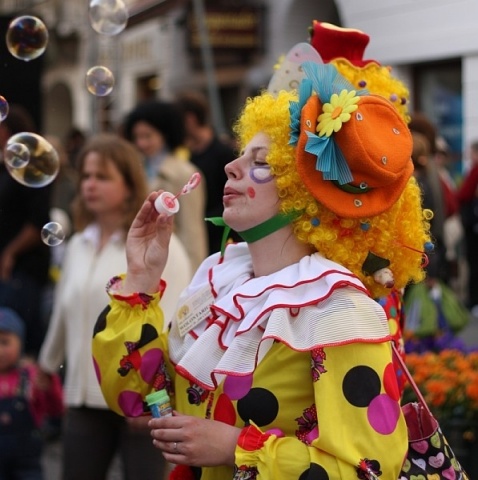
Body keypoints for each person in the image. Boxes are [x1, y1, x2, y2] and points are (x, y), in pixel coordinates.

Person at [92, 58, 432, 479]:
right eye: (240, 155)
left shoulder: (339, 313)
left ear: (305, 192)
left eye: (261, 163)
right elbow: (138, 399)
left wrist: (237, 447)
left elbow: (368, 470)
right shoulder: (221, 281)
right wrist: (142, 279)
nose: (230, 168)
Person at [38, 133, 192, 480]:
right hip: (82, 395)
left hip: (142, 403)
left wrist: (152, 391)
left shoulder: (158, 245)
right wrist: (47, 366)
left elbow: (173, 322)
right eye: (87, 176)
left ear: (129, 183)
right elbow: (64, 312)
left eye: (103, 176)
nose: (90, 185)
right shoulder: (78, 243)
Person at [123, 99, 208, 271]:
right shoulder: (133, 169)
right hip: (137, 259)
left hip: (172, 264)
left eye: (148, 136)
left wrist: (193, 278)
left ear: (165, 134)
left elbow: (192, 232)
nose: (141, 143)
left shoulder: (185, 173)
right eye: (137, 137)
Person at [0, 104, 52, 357]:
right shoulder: (6, 168)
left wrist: (10, 253)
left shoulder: (31, 168)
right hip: (10, 270)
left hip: (22, 271)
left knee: (17, 340)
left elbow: (38, 220)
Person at [0, 306, 63, 479]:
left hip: (27, 465)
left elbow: (56, 410)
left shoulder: (31, 376)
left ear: (20, 343)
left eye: (5, 342)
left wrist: (49, 387)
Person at [175, 91, 239, 255]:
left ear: (190, 120)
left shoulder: (225, 153)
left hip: (223, 239)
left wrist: (201, 221)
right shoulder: (187, 155)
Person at [456, 140, 478, 315]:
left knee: (474, 263)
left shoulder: (475, 170)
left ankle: (473, 300)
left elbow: (464, 194)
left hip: (473, 226)